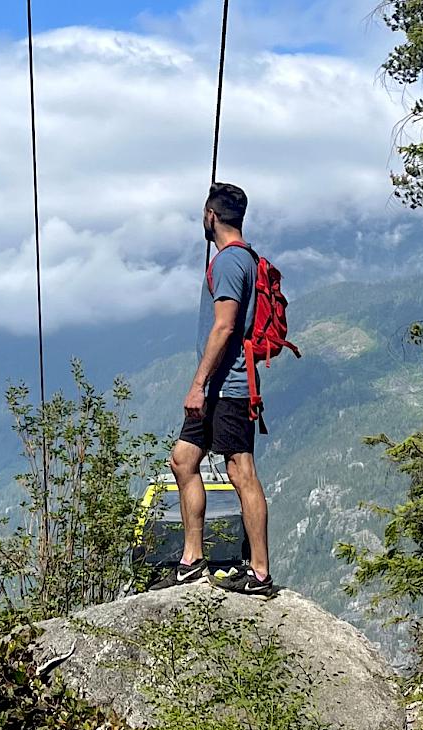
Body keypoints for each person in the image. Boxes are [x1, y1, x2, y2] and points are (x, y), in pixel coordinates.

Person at [150, 182, 274, 595]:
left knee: (242, 473)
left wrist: (198, 385)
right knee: (183, 461)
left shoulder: (227, 263)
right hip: (221, 386)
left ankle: (259, 573)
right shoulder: (247, 259)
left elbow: (224, 326)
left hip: (228, 387)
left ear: (210, 216)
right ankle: (191, 560)